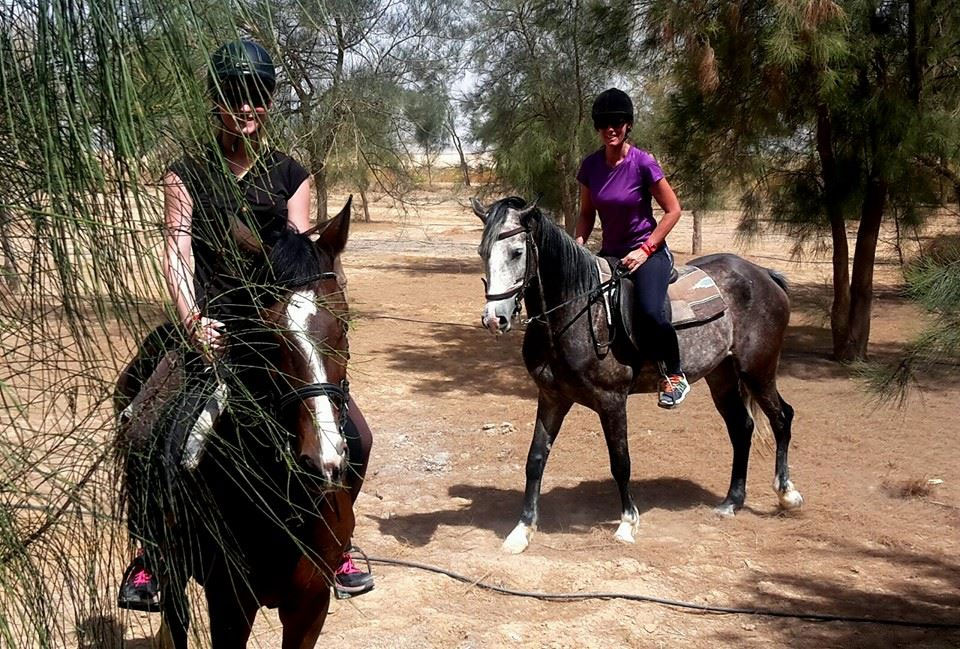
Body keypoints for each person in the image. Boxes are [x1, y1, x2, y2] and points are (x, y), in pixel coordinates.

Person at [117, 39, 373, 611]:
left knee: (356, 435)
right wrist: (192, 320)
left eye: (256, 95)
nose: (246, 107)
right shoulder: (186, 173)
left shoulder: (291, 174)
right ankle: (153, 552)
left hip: (275, 332)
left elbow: (299, 257)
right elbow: (177, 252)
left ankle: (338, 541)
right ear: (216, 100)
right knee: (146, 427)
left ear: (270, 101)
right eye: (234, 95)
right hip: (207, 327)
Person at [574, 87, 690, 408]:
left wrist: (646, 250)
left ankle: (673, 374)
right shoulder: (590, 166)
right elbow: (586, 214)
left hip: (648, 252)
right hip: (610, 254)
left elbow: (673, 210)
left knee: (650, 311)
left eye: (617, 122)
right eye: (604, 123)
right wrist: (578, 244)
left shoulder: (643, 163)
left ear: (628, 125)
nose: (610, 129)